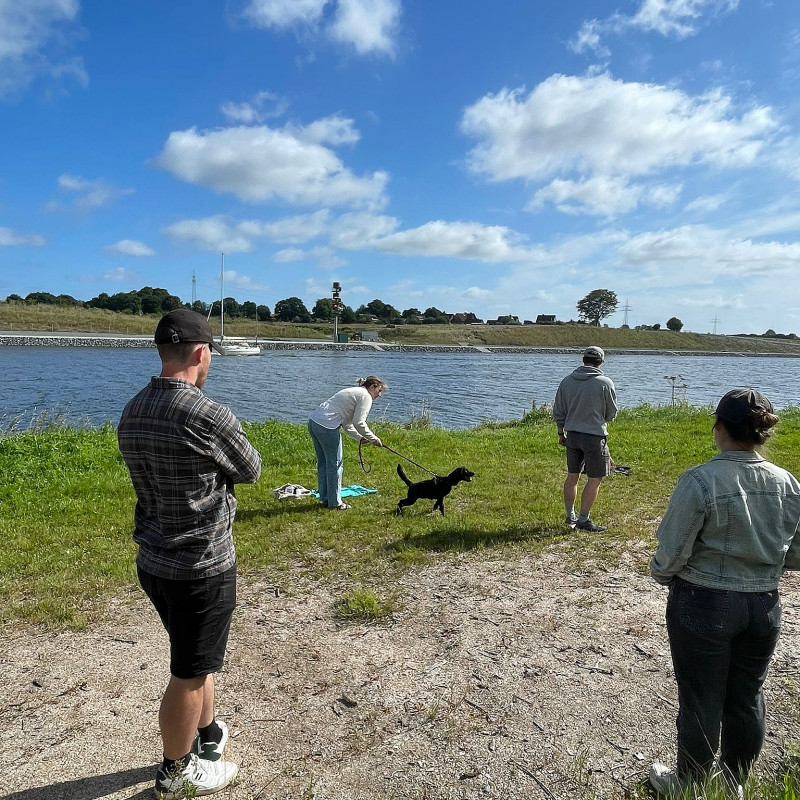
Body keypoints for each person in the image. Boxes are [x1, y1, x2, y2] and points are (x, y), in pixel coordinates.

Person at [118, 308, 262, 799]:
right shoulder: (206, 412)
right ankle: (175, 773)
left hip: (154, 560)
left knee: (197, 660)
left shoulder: (133, 409)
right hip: (201, 565)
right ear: (201, 353)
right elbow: (250, 468)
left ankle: (208, 734)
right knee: (188, 672)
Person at [649, 388, 800, 796]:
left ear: (718, 428)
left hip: (704, 600)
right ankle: (734, 784)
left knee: (701, 699)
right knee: (748, 695)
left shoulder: (700, 480)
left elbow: (673, 548)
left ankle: (690, 785)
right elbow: (797, 552)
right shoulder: (788, 483)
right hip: (764, 604)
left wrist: (661, 574)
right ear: (762, 433)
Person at [552, 345, 618, 532]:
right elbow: (611, 413)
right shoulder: (605, 383)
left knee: (572, 477)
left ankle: (569, 516)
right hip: (594, 437)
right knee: (594, 478)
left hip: (572, 436)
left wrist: (560, 433)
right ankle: (583, 520)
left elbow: (559, 411)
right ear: (601, 361)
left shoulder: (566, 382)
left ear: (583, 360)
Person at [308, 376, 386, 510]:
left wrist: (360, 438)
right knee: (335, 465)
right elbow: (359, 422)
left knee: (324, 463)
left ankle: (325, 497)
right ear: (372, 387)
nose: (379, 395)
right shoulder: (365, 396)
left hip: (314, 422)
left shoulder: (356, 392)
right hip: (327, 427)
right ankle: (335, 503)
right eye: (379, 391)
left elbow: (348, 423)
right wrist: (374, 439)